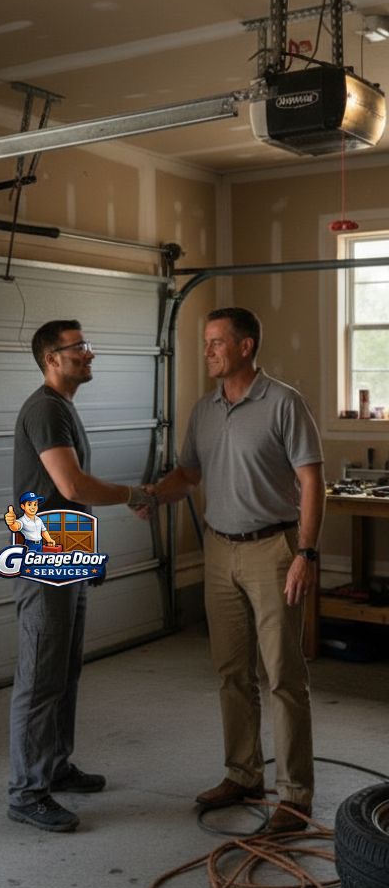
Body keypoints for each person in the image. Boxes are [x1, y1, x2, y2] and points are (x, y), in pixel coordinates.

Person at [142, 307, 324, 833]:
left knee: (284, 676)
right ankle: (243, 774)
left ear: (246, 347)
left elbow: (312, 482)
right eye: (205, 343)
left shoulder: (284, 403)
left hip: (274, 551)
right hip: (219, 551)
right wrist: (152, 495)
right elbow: (188, 474)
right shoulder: (204, 410)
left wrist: (306, 554)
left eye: (217, 342)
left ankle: (294, 797)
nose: (207, 351)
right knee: (232, 673)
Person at [7, 319, 150, 833]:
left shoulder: (62, 407)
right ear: (52, 358)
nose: (89, 354)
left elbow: (63, 495)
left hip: (66, 553)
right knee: (40, 678)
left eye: (89, 345)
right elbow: (72, 485)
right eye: (79, 348)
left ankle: (55, 766)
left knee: (64, 672)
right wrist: (133, 494)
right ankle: (27, 793)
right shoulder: (45, 409)